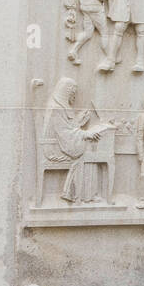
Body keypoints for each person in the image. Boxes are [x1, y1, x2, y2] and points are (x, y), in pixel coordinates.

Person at [42, 77, 108, 205]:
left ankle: (78, 193)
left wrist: (79, 120)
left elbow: (67, 128)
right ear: (66, 92)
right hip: (53, 148)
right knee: (88, 155)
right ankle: (81, 195)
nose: (74, 97)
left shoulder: (59, 106)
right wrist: (85, 133)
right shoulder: (56, 108)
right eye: (73, 94)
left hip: (61, 143)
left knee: (89, 151)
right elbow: (64, 133)